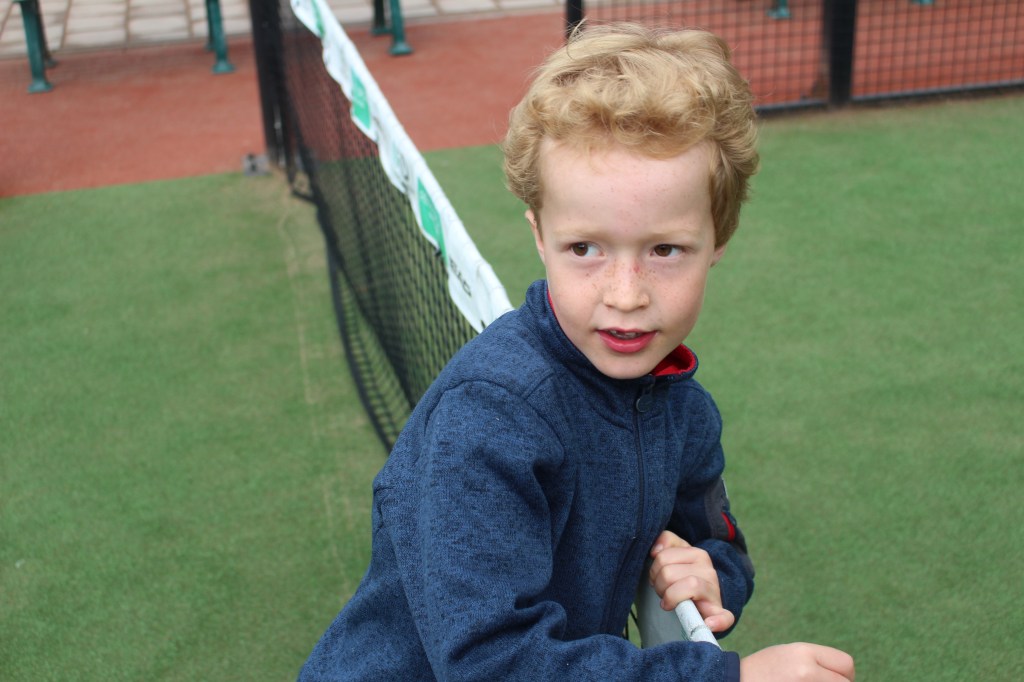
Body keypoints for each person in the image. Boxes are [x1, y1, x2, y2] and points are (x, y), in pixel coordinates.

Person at [299, 23, 854, 681]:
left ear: (719, 240)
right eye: (584, 248)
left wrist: (715, 575)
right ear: (539, 235)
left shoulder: (682, 408)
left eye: (665, 249)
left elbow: (719, 540)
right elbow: (492, 663)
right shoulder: (489, 418)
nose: (625, 295)